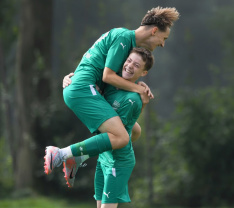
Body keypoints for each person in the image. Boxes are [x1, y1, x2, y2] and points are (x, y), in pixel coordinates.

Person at [44, 6, 179, 185]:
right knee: (122, 137)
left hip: (82, 86)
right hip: (82, 89)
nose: (163, 44)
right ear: (154, 31)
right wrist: (138, 89)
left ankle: (76, 158)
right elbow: (108, 76)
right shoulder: (123, 38)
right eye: (164, 38)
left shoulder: (127, 44)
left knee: (134, 131)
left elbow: (97, 67)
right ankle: (60, 154)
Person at [94, 47, 154, 208]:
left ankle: (66, 154)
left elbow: (115, 131)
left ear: (143, 73)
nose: (129, 66)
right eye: (128, 61)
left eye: (136, 65)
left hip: (119, 161)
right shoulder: (109, 82)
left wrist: (80, 153)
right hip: (104, 156)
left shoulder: (133, 99)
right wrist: (69, 78)